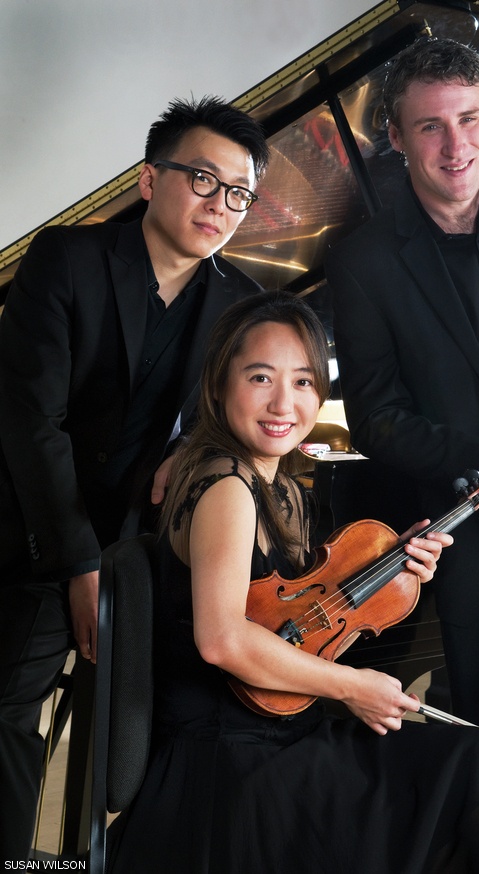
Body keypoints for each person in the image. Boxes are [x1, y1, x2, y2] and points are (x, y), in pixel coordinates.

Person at [105, 290, 479, 874]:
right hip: (233, 770)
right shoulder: (226, 487)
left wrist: (394, 564)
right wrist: (349, 686)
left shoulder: (282, 488)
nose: (283, 403)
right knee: (477, 771)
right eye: (260, 377)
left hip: (282, 738)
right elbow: (223, 640)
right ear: (219, 385)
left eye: (303, 382)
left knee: (477, 762)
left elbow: (306, 615)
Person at [0, 95, 269, 860]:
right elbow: (30, 424)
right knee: (11, 712)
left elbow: (237, 417)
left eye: (240, 193)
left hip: (138, 553)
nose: (222, 205)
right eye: (204, 180)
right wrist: (81, 565)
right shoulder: (68, 259)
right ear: (151, 181)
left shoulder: (240, 306)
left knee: (140, 731)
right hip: (32, 523)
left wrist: (194, 446)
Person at [325, 37, 479, 745]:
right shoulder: (363, 261)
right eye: (431, 126)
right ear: (396, 138)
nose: (455, 144)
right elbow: (377, 419)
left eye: (469, 119)